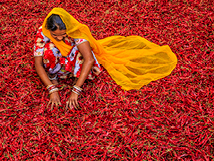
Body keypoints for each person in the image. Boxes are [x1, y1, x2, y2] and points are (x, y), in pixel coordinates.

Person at [34, 8, 177, 110]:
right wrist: (51, 89)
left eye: (63, 35)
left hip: (73, 59)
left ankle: (74, 77)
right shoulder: (43, 31)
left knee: (81, 52)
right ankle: (55, 76)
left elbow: (89, 59)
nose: (59, 38)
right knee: (49, 49)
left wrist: (75, 90)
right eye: (55, 35)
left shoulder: (75, 31)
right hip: (60, 64)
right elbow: (38, 63)